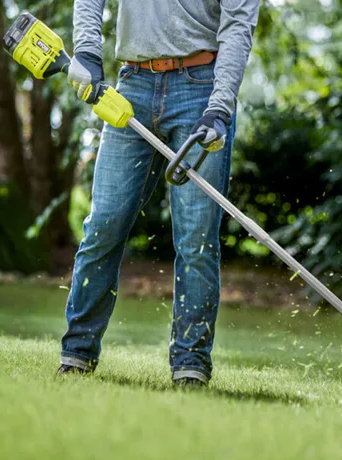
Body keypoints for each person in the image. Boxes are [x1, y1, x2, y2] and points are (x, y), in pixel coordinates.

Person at [57, 0, 260, 387]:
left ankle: (190, 365)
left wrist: (219, 108)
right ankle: (77, 355)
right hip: (131, 84)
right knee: (104, 224)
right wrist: (86, 48)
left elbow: (238, 26)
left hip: (200, 90)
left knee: (197, 238)